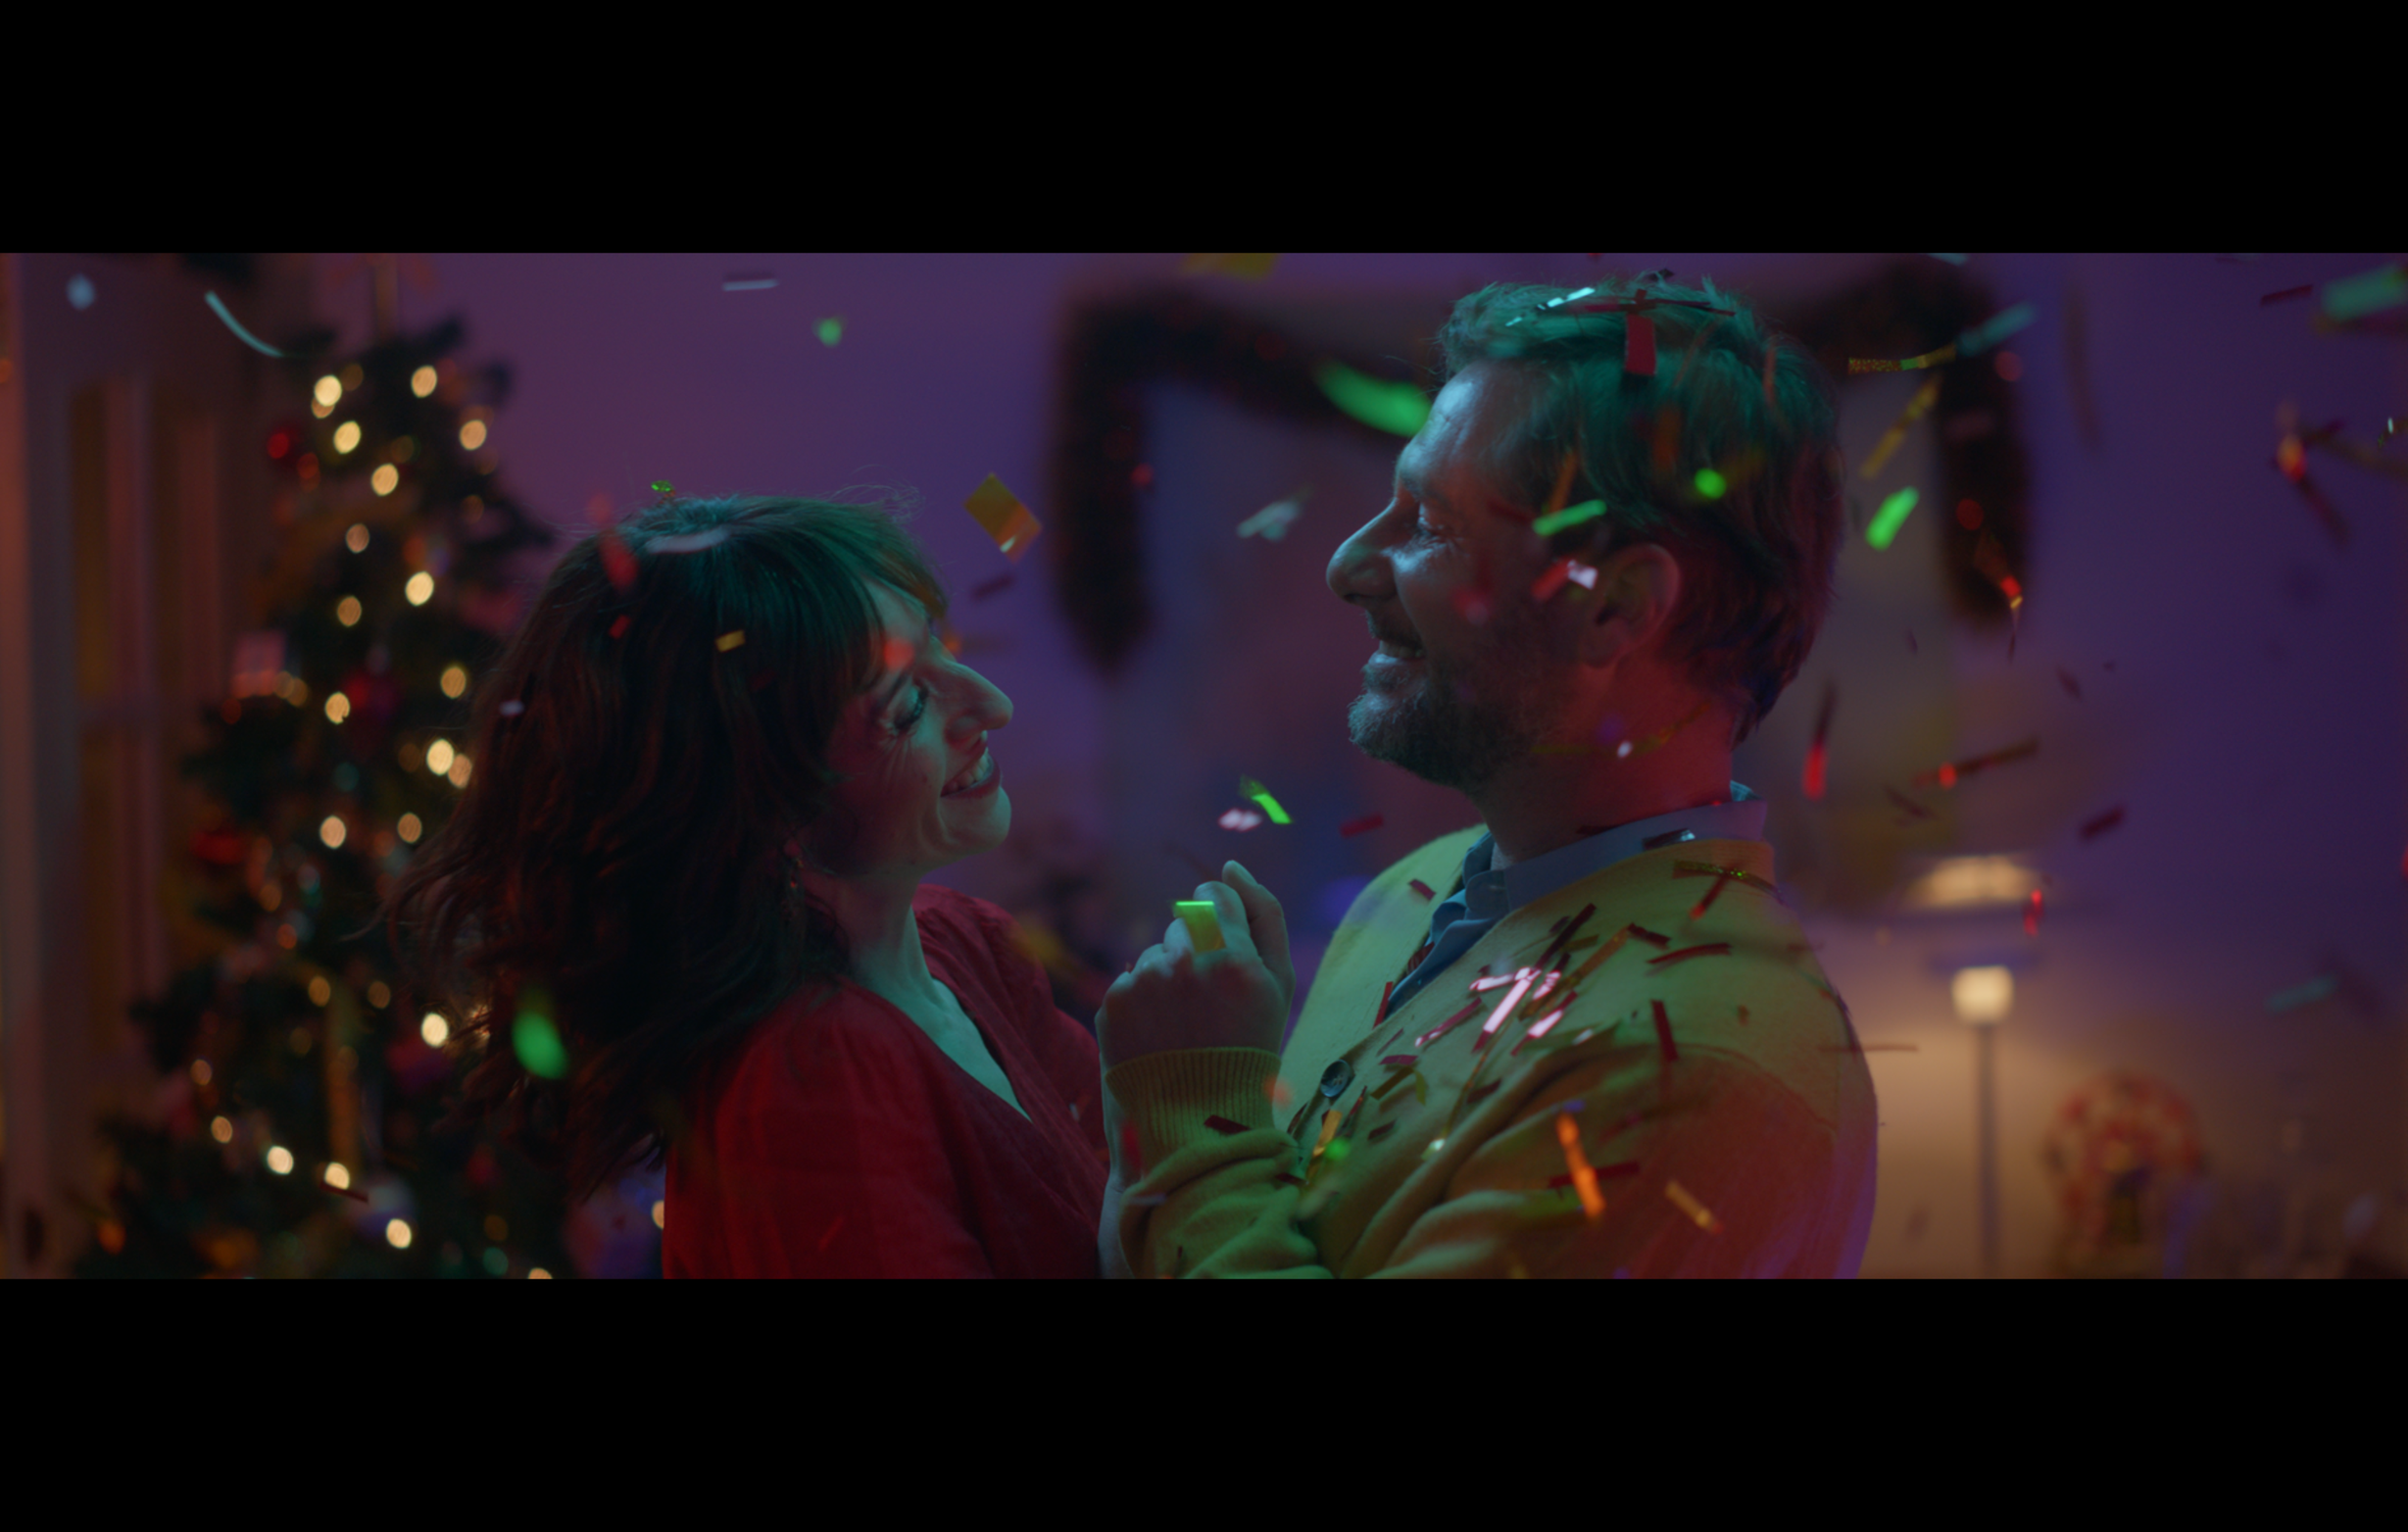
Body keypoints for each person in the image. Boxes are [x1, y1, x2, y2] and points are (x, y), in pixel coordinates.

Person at [1094, 273, 1878, 1278]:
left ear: (1613, 607)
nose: (1348, 564)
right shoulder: (1411, 891)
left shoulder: (1697, 1068)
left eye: (1429, 524)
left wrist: (1193, 1103)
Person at [386, 495, 1111, 1277]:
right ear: (757, 810)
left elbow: (1147, 1212)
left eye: (938, 644)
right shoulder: (812, 1076)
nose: (992, 704)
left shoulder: (969, 941)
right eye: (907, 709)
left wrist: (1190, 1068)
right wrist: (1212, 1083)